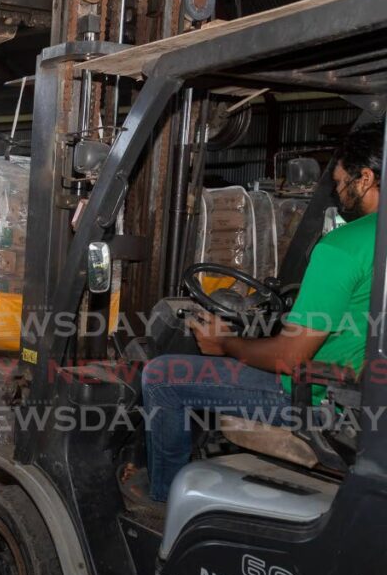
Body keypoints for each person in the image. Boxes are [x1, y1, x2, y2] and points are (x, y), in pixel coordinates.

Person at [134, 122, 381, 505]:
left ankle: (163, 501)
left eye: (340, 180)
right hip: (368, 396)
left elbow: (289, 357)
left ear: (365, 178)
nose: (337, 189)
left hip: (321, 402)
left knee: (162, 376)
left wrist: (226, 342)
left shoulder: (343, 246)